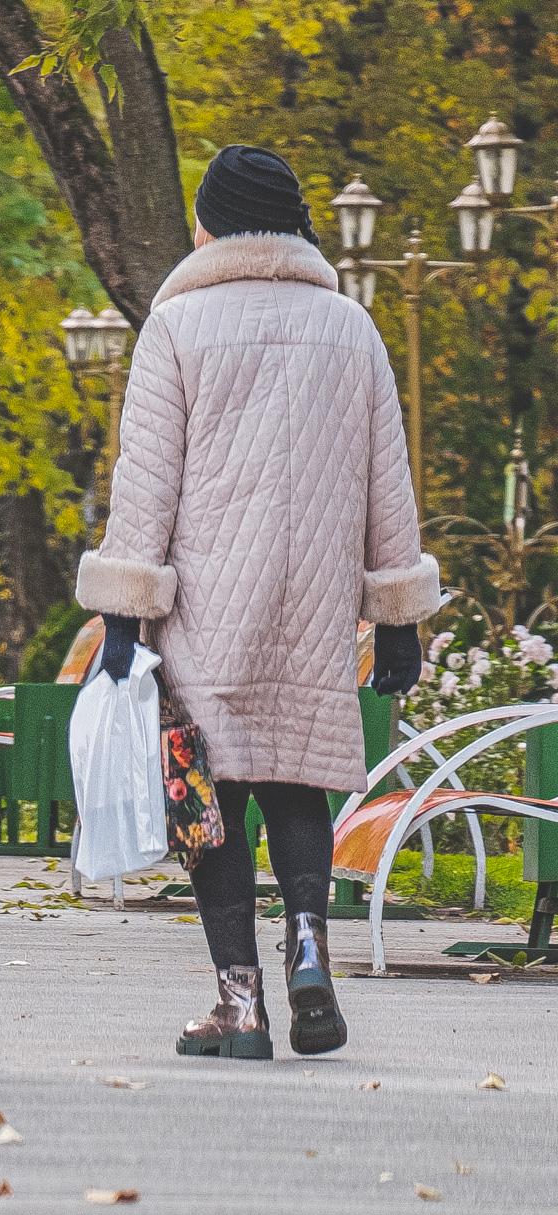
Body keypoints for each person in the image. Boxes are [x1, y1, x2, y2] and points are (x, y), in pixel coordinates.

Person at [76, 145, 436, 1059]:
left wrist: (123, 613)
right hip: (313, 604)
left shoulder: (177, 325)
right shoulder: (352, 329)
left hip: (206, 603)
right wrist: (398, 617)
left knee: (211, 795)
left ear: (216, 221)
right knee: (296, 779)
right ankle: (309, 945)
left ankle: (240, 1002)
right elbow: (387, 486)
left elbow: (147, 480)